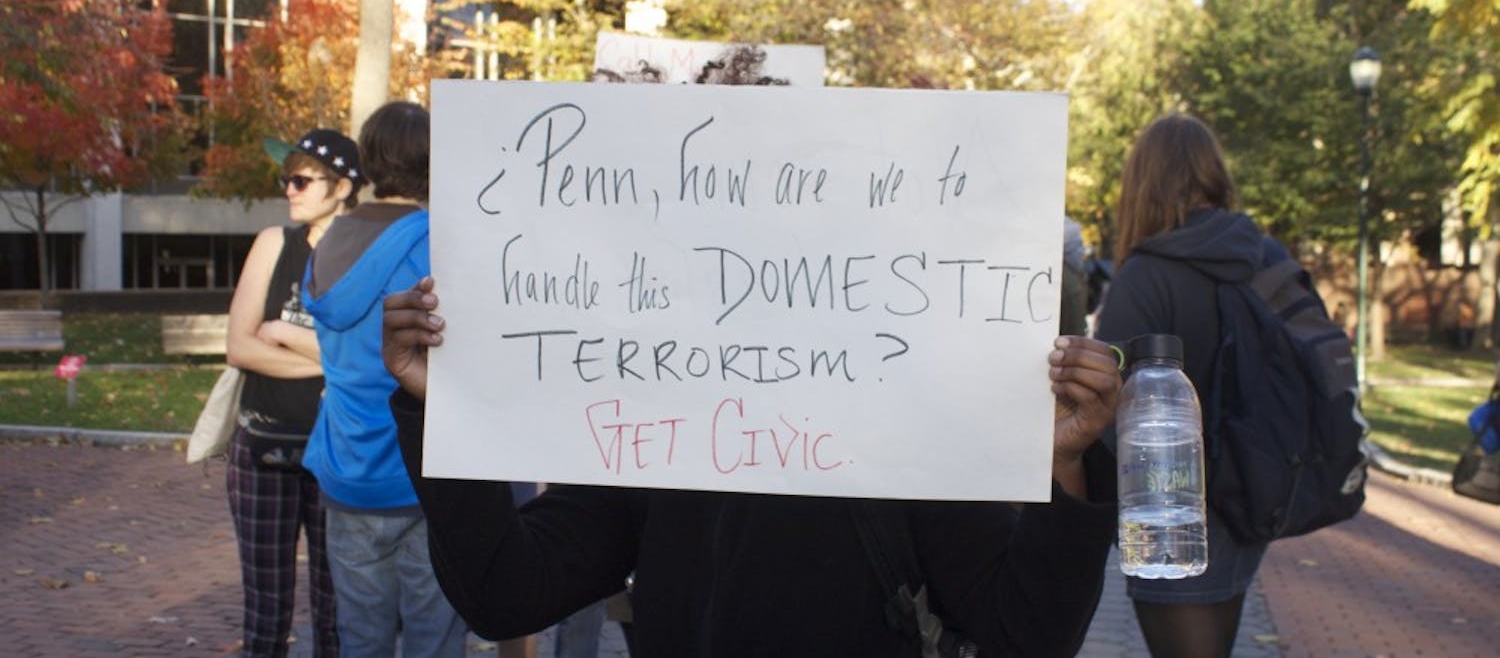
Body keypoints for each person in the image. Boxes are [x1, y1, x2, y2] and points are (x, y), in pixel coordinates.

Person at [381, 277, 1125, 657]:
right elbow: (507, 594)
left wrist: (1065, 467)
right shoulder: (656, 436)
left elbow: (1024, 637)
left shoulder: (915, 438)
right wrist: (441, 410)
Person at [1093, 113, 1289, 658]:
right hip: (1255, 490)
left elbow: (1104, 408)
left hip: (1169, 507)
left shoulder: (1148, 272)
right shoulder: (1264, 254)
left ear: (1143, 182)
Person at [300, 101, 467, 658]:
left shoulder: (327, 242)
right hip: (423, 471)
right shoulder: (439, 244)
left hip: (346, 470)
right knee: (434, 641)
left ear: (368, 159)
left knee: (361, 640)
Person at [224, 128, 361, 657]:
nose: (291, 189)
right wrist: (332, 362)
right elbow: (239, 346)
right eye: (287, 179)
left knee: (337, 613)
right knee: (265, 614)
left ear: (343, 186)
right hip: (263, 447)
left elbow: (365, 353)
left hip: (337, 454)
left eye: (303, 179)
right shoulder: (272, 243)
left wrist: (281, 332)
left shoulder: (365, 255)